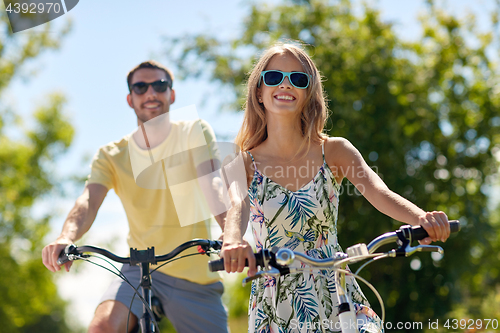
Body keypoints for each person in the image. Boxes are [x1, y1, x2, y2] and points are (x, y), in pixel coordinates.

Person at [220, 43, 451, 333]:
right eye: (274, 77)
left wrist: (422, 219)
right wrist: (232, 241)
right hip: (277, 300)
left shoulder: (335, 151)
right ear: (259, 91)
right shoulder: (242, 163)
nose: (286, 84)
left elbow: (379, 192)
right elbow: (236, 207)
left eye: (298, 79)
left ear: (308, 93)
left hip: (335, 286)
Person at [42, 60, 229, 333]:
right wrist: (66, 237)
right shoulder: (111, 154)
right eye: (141, 87)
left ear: (171, 95)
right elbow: (88, 201)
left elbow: (211, 181)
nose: (151, 93)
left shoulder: (193, 132)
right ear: (130, 99)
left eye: (160, 85)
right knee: (102, 327)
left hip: (194, 274)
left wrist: (231, 234)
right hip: (138, 269)